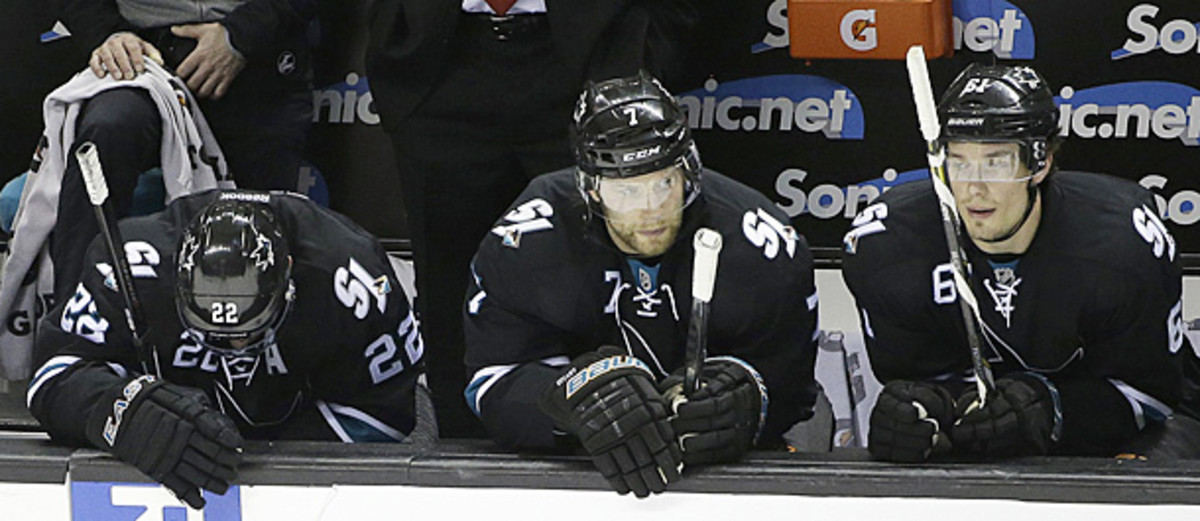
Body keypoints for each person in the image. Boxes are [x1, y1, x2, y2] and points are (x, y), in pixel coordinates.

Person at [462, 72, 820, 497]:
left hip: (721, 479)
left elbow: (793, 387)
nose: (650, 209)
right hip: (581, 475)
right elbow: (490, 381)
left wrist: (745, 400)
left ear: (688, 173)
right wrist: (570, 398)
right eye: (626, 191)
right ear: (590, 188)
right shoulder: (526, 241)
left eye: (663, 183)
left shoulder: (760, 245)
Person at [365, 0, 698, 438]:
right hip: (440, 62)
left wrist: (653, 45)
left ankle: (617, 437)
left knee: (608, 264)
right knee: (448, 291)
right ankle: (460, 468)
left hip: (591, 57)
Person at [841, 63, 1200, 462]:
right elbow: (919, 383)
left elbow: (1154, 398)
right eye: (958, 162)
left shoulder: (1120, 247)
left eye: (996, 162)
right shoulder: (888, 248)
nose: (974, 189)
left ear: (1040, 162)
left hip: (1119, 427)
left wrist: (1049, 408)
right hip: (984, 427)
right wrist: (922, 412)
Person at [27, 190, 424, 508]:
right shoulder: (130, 266)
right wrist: (121, 413)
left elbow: (387, 412)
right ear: (177, 289)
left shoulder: (354, 280)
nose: (235, 348)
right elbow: (51, 376)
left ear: (288, 283)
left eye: (249, 332)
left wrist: (258, 460)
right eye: (215, 335)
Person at [46, 0, 315, 302]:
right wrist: (107, 35)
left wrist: (239, 36)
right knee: (107, 131)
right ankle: (75, 324)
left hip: (258, 53)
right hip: (141, 56)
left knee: (261, 237)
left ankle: (256, 337)